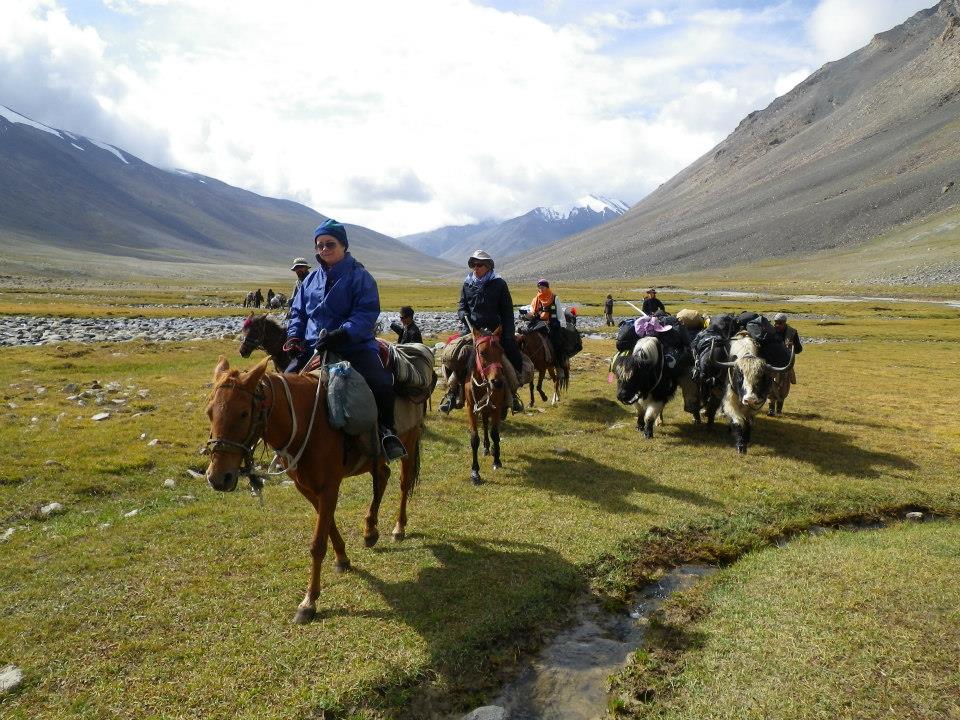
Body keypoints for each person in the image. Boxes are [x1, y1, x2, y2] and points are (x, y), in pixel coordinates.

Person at [283, 219, 405, 460]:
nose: (324, 250)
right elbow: (298, 312)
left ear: (344, 246)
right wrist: (295, 336)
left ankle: (386, 432)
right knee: (282, 383)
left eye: (330, 244)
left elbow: (366, 312)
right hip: (313, 347)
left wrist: (343, 333)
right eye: (319, 246)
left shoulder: (360, 277)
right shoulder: (309, 280)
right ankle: (284, 441)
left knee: (380, 382)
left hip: (353, 346)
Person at [439, 249, 523, 415]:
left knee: (504, 360)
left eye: (479, 265)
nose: (475, 268)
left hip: (494, 332)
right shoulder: (467, 283)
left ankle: (513, 395)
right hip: (472, 331)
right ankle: (451, 394)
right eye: (473, 265)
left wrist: (506, 335)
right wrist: (462, 314)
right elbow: (462, 306)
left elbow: (507, 312)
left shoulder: (499, 284)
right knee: (458, 356)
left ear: (488, 266)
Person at [768, 312, 803, 416]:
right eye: (776, 323)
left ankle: (779, 411)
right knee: (770, 387)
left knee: (783, 388)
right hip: (772, 363)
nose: (777, 325)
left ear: (785, 323)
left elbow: (799, 349)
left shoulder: (792, 333)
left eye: (779, 323)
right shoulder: (770, 332)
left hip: (786, 365)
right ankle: (771, 410)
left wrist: (793, 346)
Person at [529, 279, 567, 368]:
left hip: (552, 323)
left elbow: (560, 313)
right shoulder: (536, 299)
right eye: (539, 287)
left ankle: (560, 363)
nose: (541, 289)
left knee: (557, 341)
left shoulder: (554, 298)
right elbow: (532, 311)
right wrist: (529, 314)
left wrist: (563, 325)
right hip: (539, 323)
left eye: (543, 287)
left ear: (547, 288)